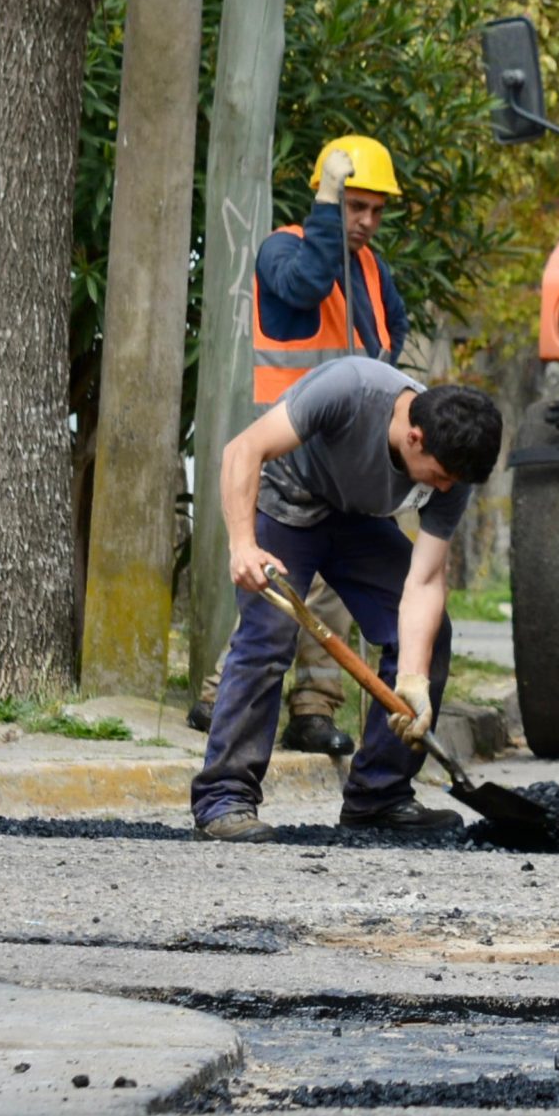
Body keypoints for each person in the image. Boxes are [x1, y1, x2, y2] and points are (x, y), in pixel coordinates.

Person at [189, 356, 502, 844]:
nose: (443, 488)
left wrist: (414, 681)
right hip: (288, 505)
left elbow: (423, 582)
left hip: (356, 520)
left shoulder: (451, 472)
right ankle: (224, 799)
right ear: (414, 437)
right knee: (267, 639)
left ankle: (379, 797)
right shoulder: (350, 390)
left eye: (452, 483)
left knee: (431, 633)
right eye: (438, 476)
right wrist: (242, 545)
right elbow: (243, 449)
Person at [189, 136, 411, 754]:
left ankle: (312, 706)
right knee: (288, 585)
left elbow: (390, 333)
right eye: (353, 206)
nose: (365, 222)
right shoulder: (282, 250)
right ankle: (220, 694)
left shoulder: (370, 267)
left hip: (350, 447)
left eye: (375, 210)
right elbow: (309, 284)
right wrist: (325, 206)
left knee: (325, 590)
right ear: (328, 198)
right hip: (289, 446)